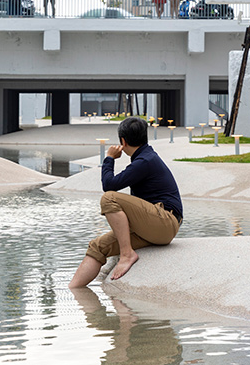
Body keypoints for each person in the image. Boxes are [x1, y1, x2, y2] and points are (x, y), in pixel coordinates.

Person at [69, 117, 183, 288]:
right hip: (152, 228)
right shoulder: (144, 158)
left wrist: (109, 158)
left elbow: (109, 186)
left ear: (122, 140)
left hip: (165, 222)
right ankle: (75, 291)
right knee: (97, 246)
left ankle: (126, 254)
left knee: (109, 198)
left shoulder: (145, 161)